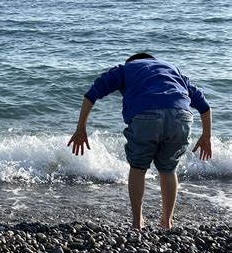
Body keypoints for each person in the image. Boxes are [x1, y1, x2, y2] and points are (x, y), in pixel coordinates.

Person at [67, 53, 212, 230]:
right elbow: (204, 106)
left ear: (133, 62)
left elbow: (92, 94)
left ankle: (137, 222)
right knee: (168, 169)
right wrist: (206, 135)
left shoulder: (125, 69)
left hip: (146, 116)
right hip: (181, 115)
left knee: (138, 168)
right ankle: (167, 221)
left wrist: (81, 128)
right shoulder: (174, 70)